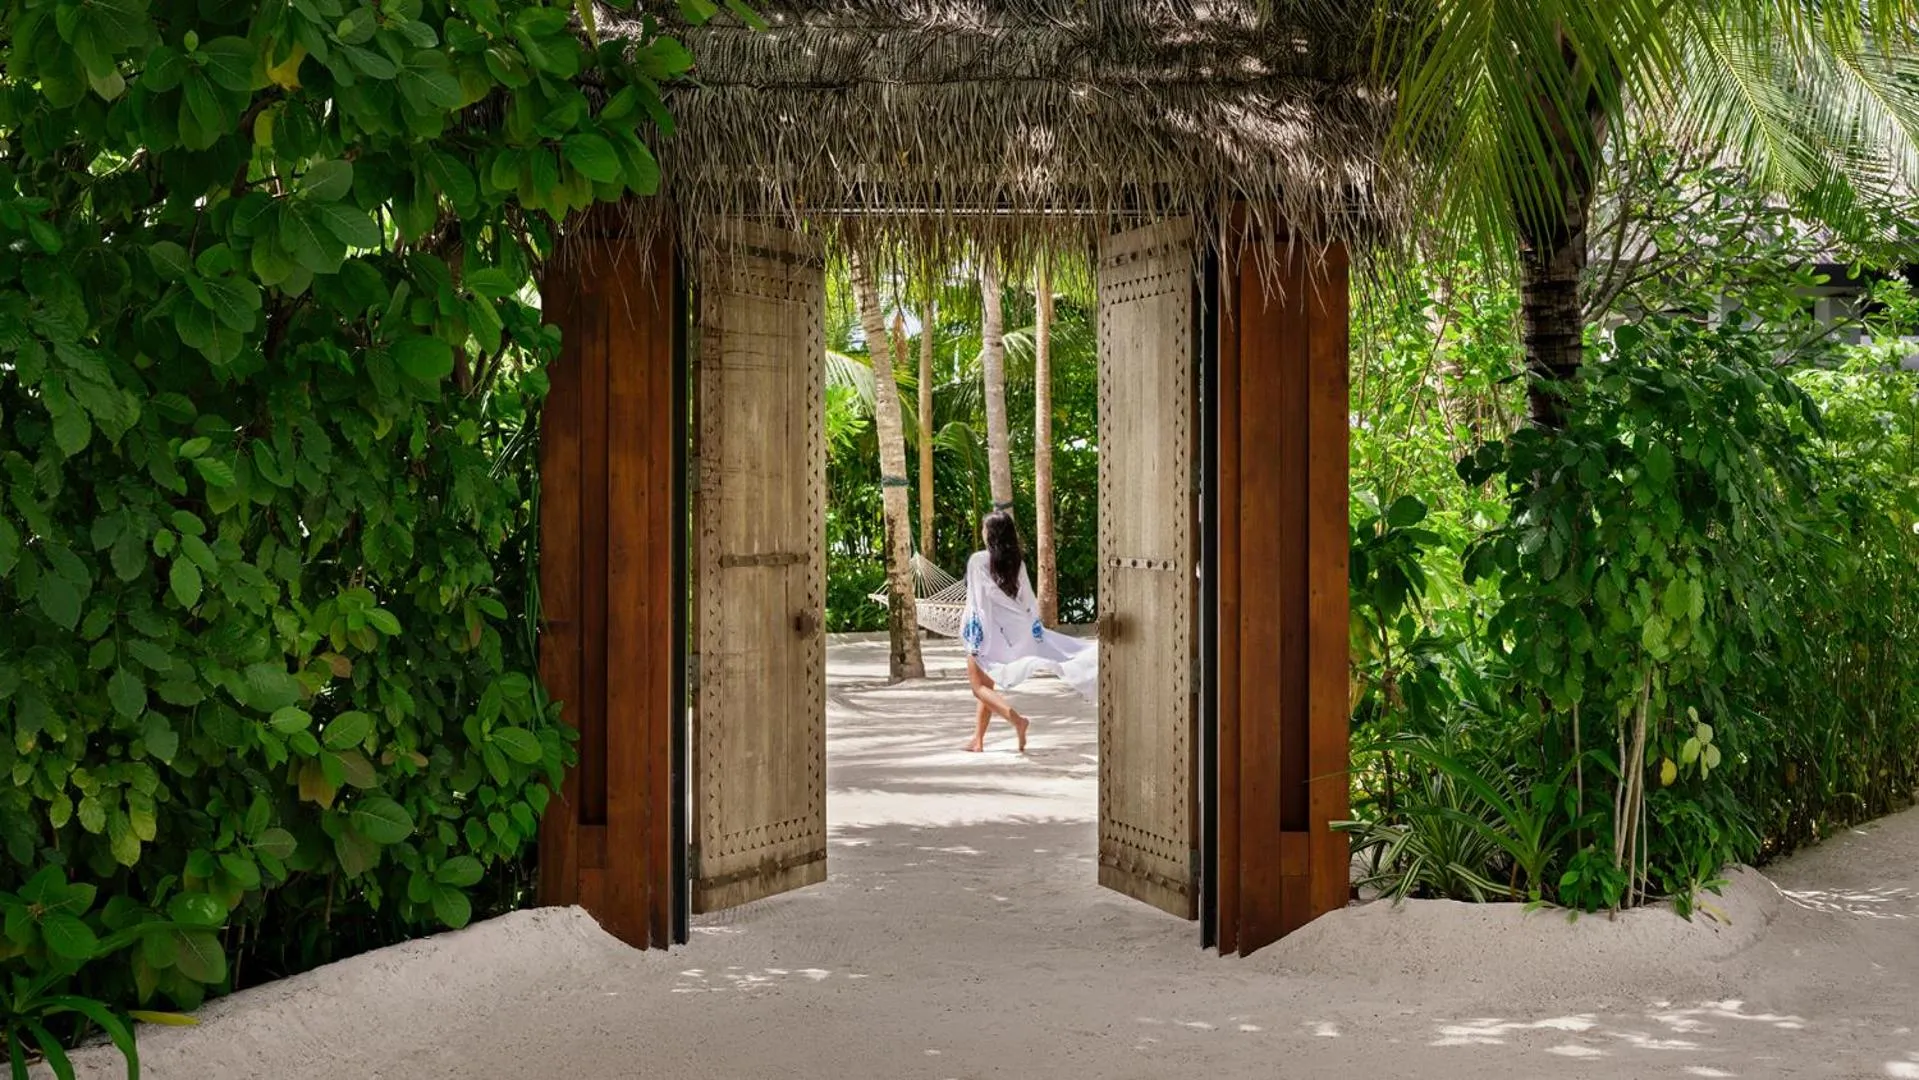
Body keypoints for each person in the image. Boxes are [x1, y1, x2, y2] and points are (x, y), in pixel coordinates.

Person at [959, 510, 1097, 752]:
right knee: (987, 687)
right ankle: (977, 740)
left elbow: (980, 601)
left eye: (984, 528)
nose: (981, 532)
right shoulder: (1016, 562)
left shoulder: (977, 561)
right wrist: (1033, 629)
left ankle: (1017, 720)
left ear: (990, 534)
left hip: (990, 633)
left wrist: (973, 638)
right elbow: (1027, 599)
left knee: (977, 688)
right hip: (1015, 630)